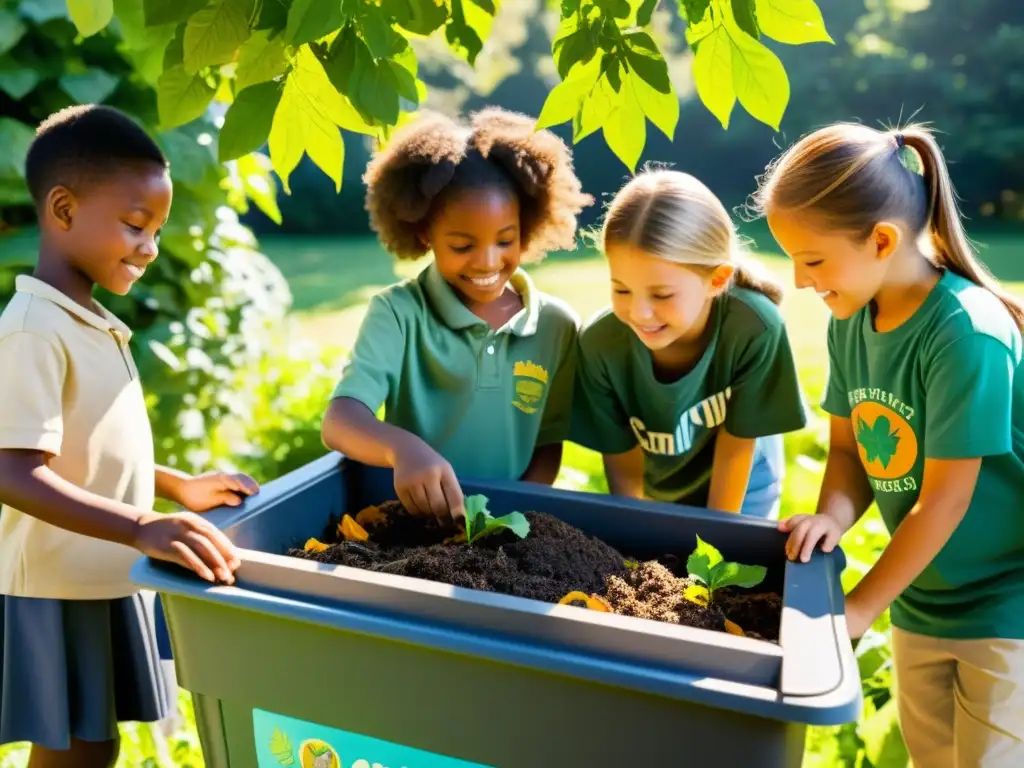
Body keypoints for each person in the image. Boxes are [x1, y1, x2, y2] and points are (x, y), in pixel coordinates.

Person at [754, 121, 1024, 766]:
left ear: (881, 240)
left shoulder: (965, 334)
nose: (798, 279)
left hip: (1006, 602)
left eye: (812, 259)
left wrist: (858, 608)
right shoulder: (853, 320)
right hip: (922, 599)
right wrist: (832, 518)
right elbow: (849, 454)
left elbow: (945, 503)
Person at [0, 104, 259, 768]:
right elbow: (13, 469)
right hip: (55, 586)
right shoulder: (33, 328)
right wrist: (144, 524)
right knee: (77, 747)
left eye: (158, 231)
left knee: (96, 742)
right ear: (63, 211)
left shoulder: (86, 319)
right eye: (135, 226)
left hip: (99, 572)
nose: (149, 247)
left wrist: (177, 486)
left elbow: (93, 447)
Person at [321, 108, 592, 520]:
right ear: (425, 233)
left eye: (506, 240)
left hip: (508, 527)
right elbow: (340, 421)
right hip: (412, 521)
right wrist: (403, 449)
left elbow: (547, 441)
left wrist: (515, 515)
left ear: (528, 225)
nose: (487, 263)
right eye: (463, 246)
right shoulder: (397, 314)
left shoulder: (556, 326)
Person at [570, 169, 807, 519]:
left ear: (717, 279)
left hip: (744, 494)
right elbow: (622, 463)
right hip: (659, 492)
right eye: (621, 289)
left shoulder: (753, 328)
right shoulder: (601, 343)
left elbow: (736, 450)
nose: (638, 312)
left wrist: (715, 537)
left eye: (662, 294)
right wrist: (637, 530)